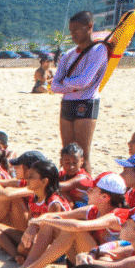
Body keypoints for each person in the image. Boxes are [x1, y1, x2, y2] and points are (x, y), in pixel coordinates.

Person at [4, 172, 131, 268]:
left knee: (73, 230)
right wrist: (35, 224)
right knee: (53, 223)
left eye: (92, 189)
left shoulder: (118, 215)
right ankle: (27, 266)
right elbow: (53, 215)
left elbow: (78, 226)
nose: (87, 191)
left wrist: (41, 220)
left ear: (105, 197)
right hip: (88, 258)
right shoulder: (93, 209)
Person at [52, 11, 108, 174]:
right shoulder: (68, 54)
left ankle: (85, 192)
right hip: (68, 103)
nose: (73, 34)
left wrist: (66, 83)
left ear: (89, 27)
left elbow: (85, 81)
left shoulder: (98, 50)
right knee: (67, 154)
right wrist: (73, 85)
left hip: (86, 102)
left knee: (82, 155)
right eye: (71, 30)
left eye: (77, 30)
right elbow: (54, 86)